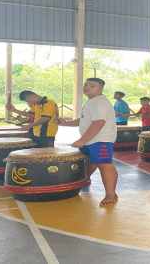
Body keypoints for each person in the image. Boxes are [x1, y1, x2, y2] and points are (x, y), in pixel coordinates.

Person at [59, 78, 118, 207]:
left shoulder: (100, 102)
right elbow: (84, 120)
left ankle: (110, 195)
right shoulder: (92, 102)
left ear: (100, 88)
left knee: (105, 165)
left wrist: (82, 140)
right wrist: (65, 123)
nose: (87, 87)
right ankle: (84, 179)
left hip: (101, 140)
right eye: (86, 84)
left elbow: (99, 123)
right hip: (91, 140)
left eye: (92, 86)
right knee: (91, 161)